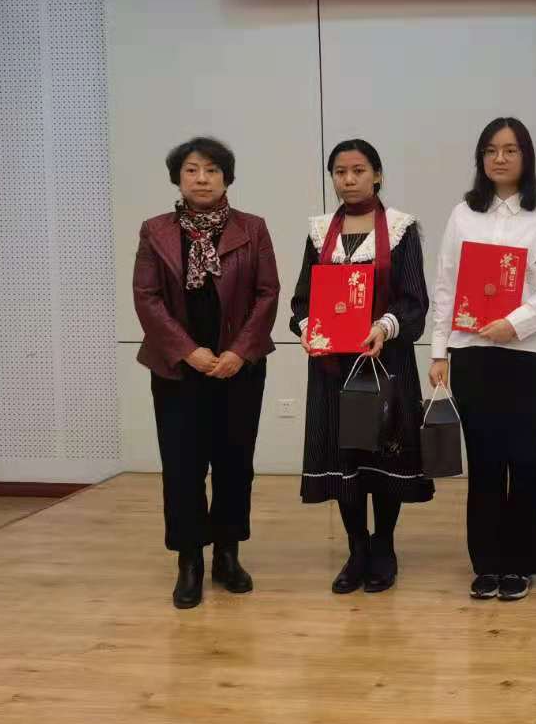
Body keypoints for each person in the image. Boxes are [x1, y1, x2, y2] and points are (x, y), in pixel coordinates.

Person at [429, 117, 536, 603]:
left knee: (525, 459)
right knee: (485, 461)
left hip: (527, 355)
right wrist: (439, 350)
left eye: (510, 150)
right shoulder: (463, 215)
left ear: (526, 157)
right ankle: (487, 562)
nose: (500, 158)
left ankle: (522, 562)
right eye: (491, 150)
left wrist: (516, 322)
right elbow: (446, 284)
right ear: (481, 159)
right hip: (472, 353)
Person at [133, 137, 280, 610]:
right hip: (178, 370)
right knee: (183, 466)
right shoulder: (155, 231)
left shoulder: (252, 228)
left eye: (212, 170)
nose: (202, 179)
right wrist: (187, 350)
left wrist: (239, 351)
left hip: (238, 369)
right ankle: (190, 561)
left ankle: (228, 555)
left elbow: (267, 293)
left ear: (227, 178)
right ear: (178, 178)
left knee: (235, 464)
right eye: (192, 170)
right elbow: (147, 298)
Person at [290, 139, 433, 595]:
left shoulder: (401, 228)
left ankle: (384, 545)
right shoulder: (319, 232)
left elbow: (414, 301)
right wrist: (308, 328)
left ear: (378, 175)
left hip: (385, 359)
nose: (348, 180)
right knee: (345, 456)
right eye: (340, 172)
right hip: (333, 366)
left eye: (358, 170)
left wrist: (383, 328)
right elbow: (301, 300)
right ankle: (356, 549)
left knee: (385, 455)